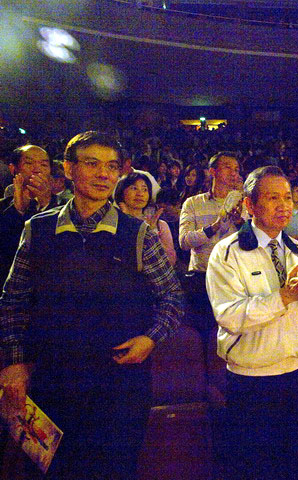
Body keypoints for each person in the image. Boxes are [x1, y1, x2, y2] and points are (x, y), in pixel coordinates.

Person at [0, 131, 184, 480]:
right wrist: (13, 362)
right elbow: (14, 299)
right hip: (52, 378)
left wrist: (151, 338)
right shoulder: (38, 229)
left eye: (111, 167)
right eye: (92, 164)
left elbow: (172, 297)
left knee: (112, 470)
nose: (103, 174)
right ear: (68, 169)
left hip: (119, 384)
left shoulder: (138, 233)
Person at [206, 165, 298, 480]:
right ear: (250, 205)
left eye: (288, 198)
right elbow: (230, 316)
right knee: (256, 468)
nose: (284, 206)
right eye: (273, 198)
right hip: (253, 381)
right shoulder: (226, 254)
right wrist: (286, 296)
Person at [179, 151, 244, 334]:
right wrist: (213, 228)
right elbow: (184, 241)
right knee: (203, 332)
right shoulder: (193, 203)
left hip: (233, 278)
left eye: (236, 169)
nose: (233, 173)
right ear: (213, 172)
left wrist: (240, 222)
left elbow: (252, 242)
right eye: (227, 167)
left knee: (232, 331)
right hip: (201, 277)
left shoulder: (244, 205)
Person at [0, 145, 53, 286]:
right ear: (13, 169)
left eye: (44, 165)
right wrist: (17, 211)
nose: (37, 169)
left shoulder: (64, 207)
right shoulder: (3, 208)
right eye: (29, 163)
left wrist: (46, 205)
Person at [115, 172, 177, 266]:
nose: (140, 194)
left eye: (145, 189)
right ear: (121, 192)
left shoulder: (159, 225)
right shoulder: (113, 222)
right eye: (134, 188)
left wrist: (152, 232)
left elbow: (170, 261)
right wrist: (129, 220)